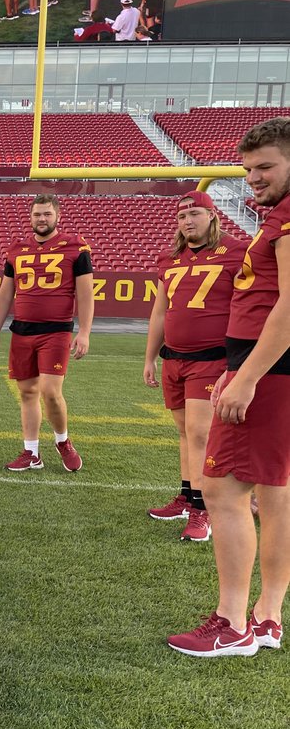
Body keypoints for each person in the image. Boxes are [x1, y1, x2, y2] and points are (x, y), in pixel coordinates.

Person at [168, 117, 290, 657]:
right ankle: (265, 616)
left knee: (222, 490)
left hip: (269, 376)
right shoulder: (277, 218)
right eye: (248, 169)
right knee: (276, 494)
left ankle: (231, 621)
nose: (253, 178)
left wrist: (248, 375)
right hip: (265, 369)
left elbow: (289, 307)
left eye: (265, 167)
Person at [143, 191, 248, 542]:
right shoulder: (170, 258)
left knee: (202, 433)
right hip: (174, 356)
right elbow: (160, 311)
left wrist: (237, 361)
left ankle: (204, 509)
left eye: (196, 214)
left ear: (213, 215)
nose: (188, 221)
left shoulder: (235, 252)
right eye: (182, 216)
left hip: (212, 357)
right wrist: (149, 357)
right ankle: (188, 497)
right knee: (186, 432)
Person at [0, 194, 93, 472]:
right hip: (22, 329)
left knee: (50, 392)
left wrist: (84, 332)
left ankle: (63, 441)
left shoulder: (75, 248)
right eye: (37, 215)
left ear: (57, 216)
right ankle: (31, 452)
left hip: (56, 330)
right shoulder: (17, 249)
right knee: (27, 393)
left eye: (46, 214)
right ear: (30, 217)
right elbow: (5, 292)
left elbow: (85, 294)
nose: (41, 219)